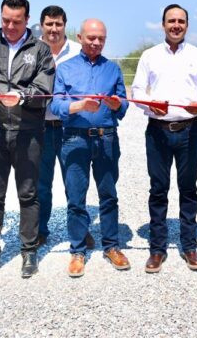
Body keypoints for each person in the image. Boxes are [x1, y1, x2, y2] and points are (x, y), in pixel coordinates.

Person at [0, 0, 54, 281]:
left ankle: (29, 251)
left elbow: (44, 86)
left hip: (28, 132)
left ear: (27, 20)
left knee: (28, 193)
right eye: (6, 20)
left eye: (17, 21)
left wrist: (23, 95)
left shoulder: (40, 50)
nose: (11, 26)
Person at [131, 4, 197, 273]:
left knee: (188, 190)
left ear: (187, 25)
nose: (176, 25)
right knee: (158, 190)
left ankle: (189, 246)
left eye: (180, 21)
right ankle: (157, 249)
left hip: (190, 130)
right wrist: (148, 105)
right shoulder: (150, 56)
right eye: (171, 21)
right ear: (163, 24)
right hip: (158, 131)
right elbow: (137, 90)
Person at [51, 18, 129, 277]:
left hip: (106, 138)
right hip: (75, 139)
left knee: (109, 194)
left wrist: (117, 105)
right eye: (91, 38)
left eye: (101, 39)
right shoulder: (65, 69)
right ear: (80, 37)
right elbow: (56, 105)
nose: (96, 43)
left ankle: (111, 246)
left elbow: (124, 107)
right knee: (76, 197)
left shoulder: (113, 69)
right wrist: (80, 106)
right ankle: (77, 250)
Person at [35, 5, 90, 248]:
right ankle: (40, 230)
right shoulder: (32, 50)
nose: (54, 29)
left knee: (75, 184)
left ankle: (80, 230)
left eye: (58, 24)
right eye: (49, 24)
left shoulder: (78, 52)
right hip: (40, 127)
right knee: (41, 184)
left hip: (72, 128)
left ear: (65, 25)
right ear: (41, 25)